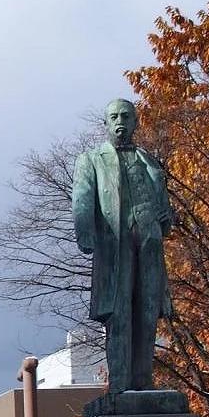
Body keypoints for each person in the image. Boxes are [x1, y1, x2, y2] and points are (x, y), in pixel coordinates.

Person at [71, 98, 175, 394]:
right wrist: (85, 233)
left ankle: (143, 379)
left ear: (136, 122)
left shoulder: (148, 160)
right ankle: (120, 383)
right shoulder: (91, 159)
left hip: (148, 242)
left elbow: (161, 202)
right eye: (114, 117)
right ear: (105, 124)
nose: (121, 122)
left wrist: (164, 216)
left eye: (126, 116)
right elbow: (82, 198)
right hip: (114, 244)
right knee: (119, 310)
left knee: (147, 308)